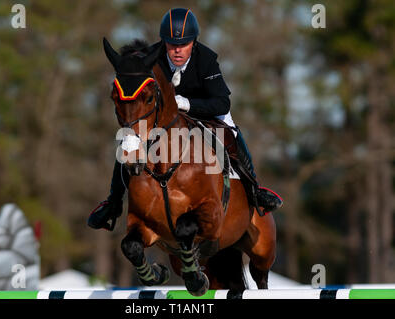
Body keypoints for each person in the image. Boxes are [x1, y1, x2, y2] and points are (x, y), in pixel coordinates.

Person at [88, 8, 282, 231]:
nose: (177, 50)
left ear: (194, 42)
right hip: (166, 116)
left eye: (184, 44)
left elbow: (222, 103)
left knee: (232, 133)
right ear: (164, 43)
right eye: (171, 45)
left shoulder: (206, 60)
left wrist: (187, 104)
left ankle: (254, 189)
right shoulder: (152, 58)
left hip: (206, 110)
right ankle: (113, 203)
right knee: (130, 141)